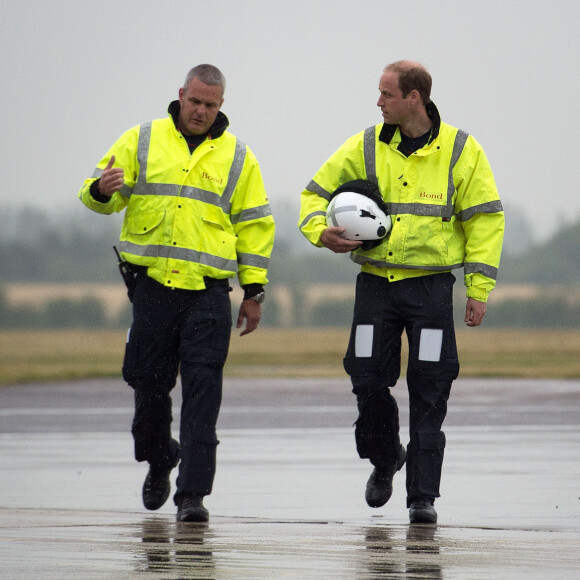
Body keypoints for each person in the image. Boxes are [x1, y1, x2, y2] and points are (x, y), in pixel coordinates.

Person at [298, 60, 504, 524]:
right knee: (367, 380)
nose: (378, 102)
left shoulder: (462, 150)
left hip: (432, 291)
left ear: (415, 98)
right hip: (376, 287)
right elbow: (313, 195)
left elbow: (486, 220)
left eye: (386, 94)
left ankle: (422, 498)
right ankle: (386, 456)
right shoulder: (366, 144)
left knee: (431, 392)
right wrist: (320, 231)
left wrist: (479, 288)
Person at [79, 64, 275, 522]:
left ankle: (192, 497)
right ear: (181, 94)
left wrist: (254, 292)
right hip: (152, 292)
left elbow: (256, 227)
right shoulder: (141, 139)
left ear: (221, 105)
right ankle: (159, 458)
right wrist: (101, 190)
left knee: (203, 394)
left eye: (211, 105)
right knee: (148, 388)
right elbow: (94, 195)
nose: (201, 111)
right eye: (195, 102)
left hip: (209, 295)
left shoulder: (240, 158)